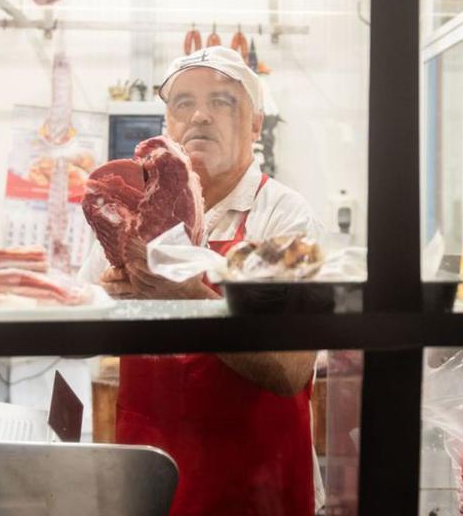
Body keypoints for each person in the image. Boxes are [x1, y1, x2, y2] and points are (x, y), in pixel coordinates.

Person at [78, 46, 323, 515]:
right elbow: (74, 338)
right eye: (183, 103)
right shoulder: (131, 205)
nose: (200, 116)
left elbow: (290, 368)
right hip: (151, 479)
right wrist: (109, 301)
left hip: (256, 488)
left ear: (256, 125)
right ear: (168, 124)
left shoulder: (284, 216)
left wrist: (189, 296)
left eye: (224, 102)